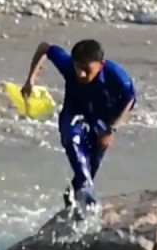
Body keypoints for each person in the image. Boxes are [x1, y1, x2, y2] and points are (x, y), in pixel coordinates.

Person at [22, 38, 135, 211]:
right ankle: (89, 205)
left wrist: (112, 128)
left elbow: (130, 101)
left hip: (102, 122)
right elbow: (45, 47)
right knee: (72, 139)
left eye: (87, 69)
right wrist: (31, 78)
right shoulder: (68, 65)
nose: (81, 74)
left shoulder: (117, 76)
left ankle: (72, 198)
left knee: (90, 167)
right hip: (73, 114)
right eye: (78, 67)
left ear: (101, 64)